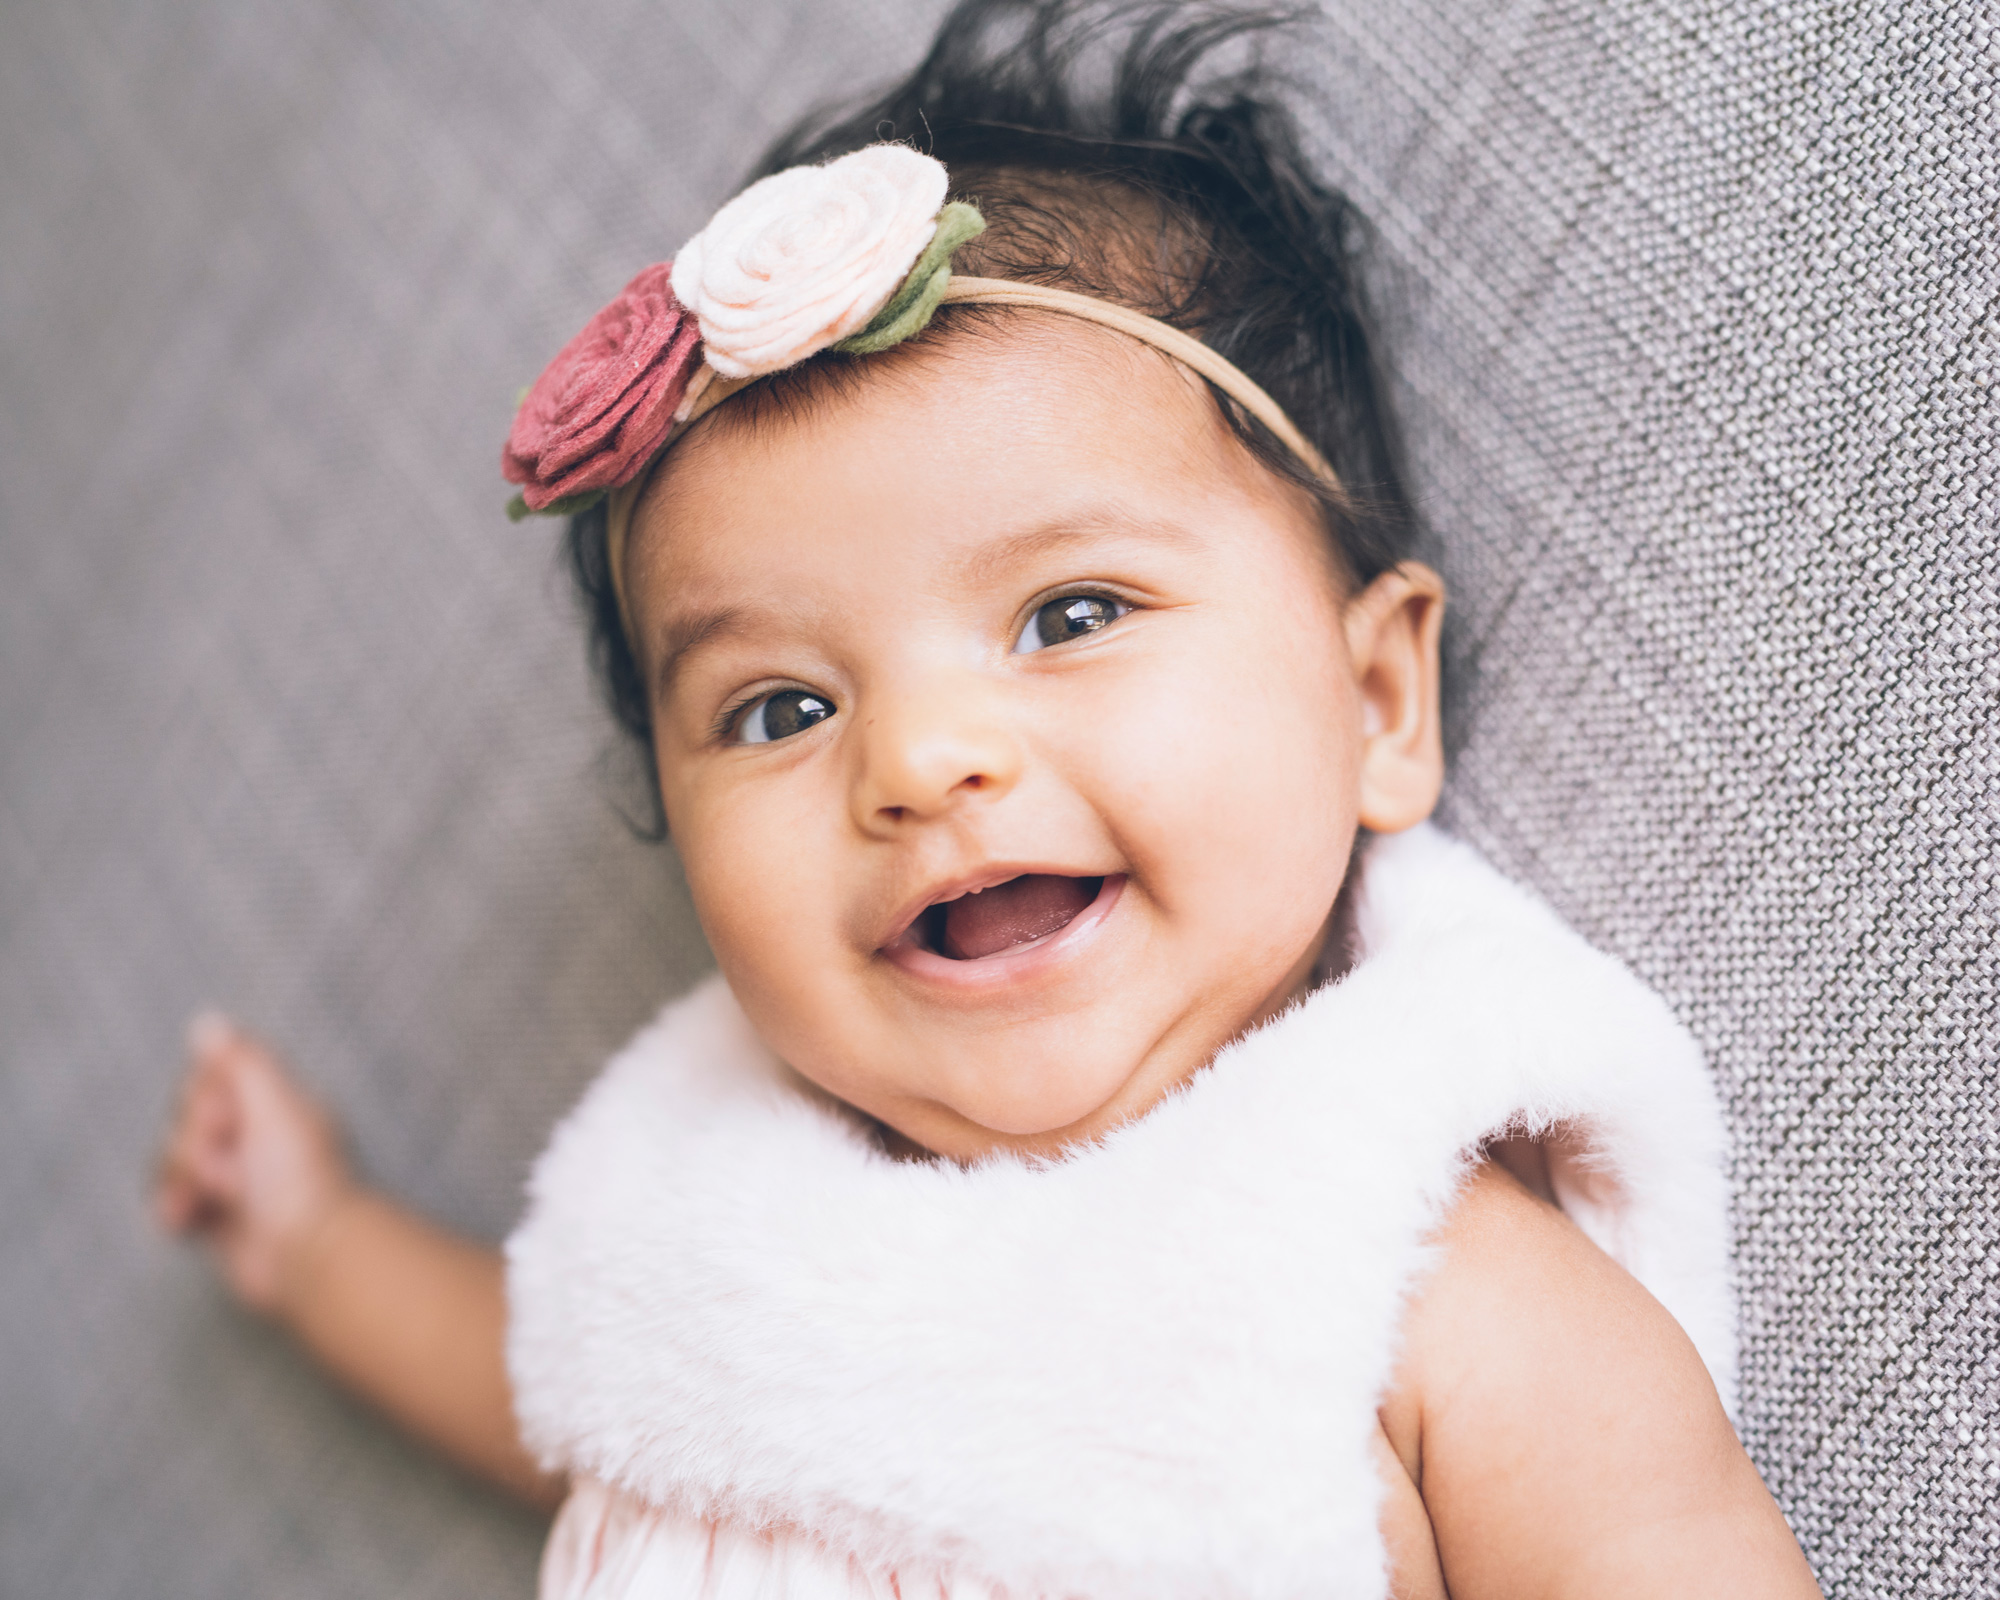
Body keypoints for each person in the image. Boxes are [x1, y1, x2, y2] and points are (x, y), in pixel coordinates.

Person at [155, 2, 1825, 1594]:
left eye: (1071, 615)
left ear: (1376, 698)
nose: (914, 761)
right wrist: (317, 1247)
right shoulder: (732, 1222)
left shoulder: (1433, 1287)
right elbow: (567, 1395)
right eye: (782, 706)